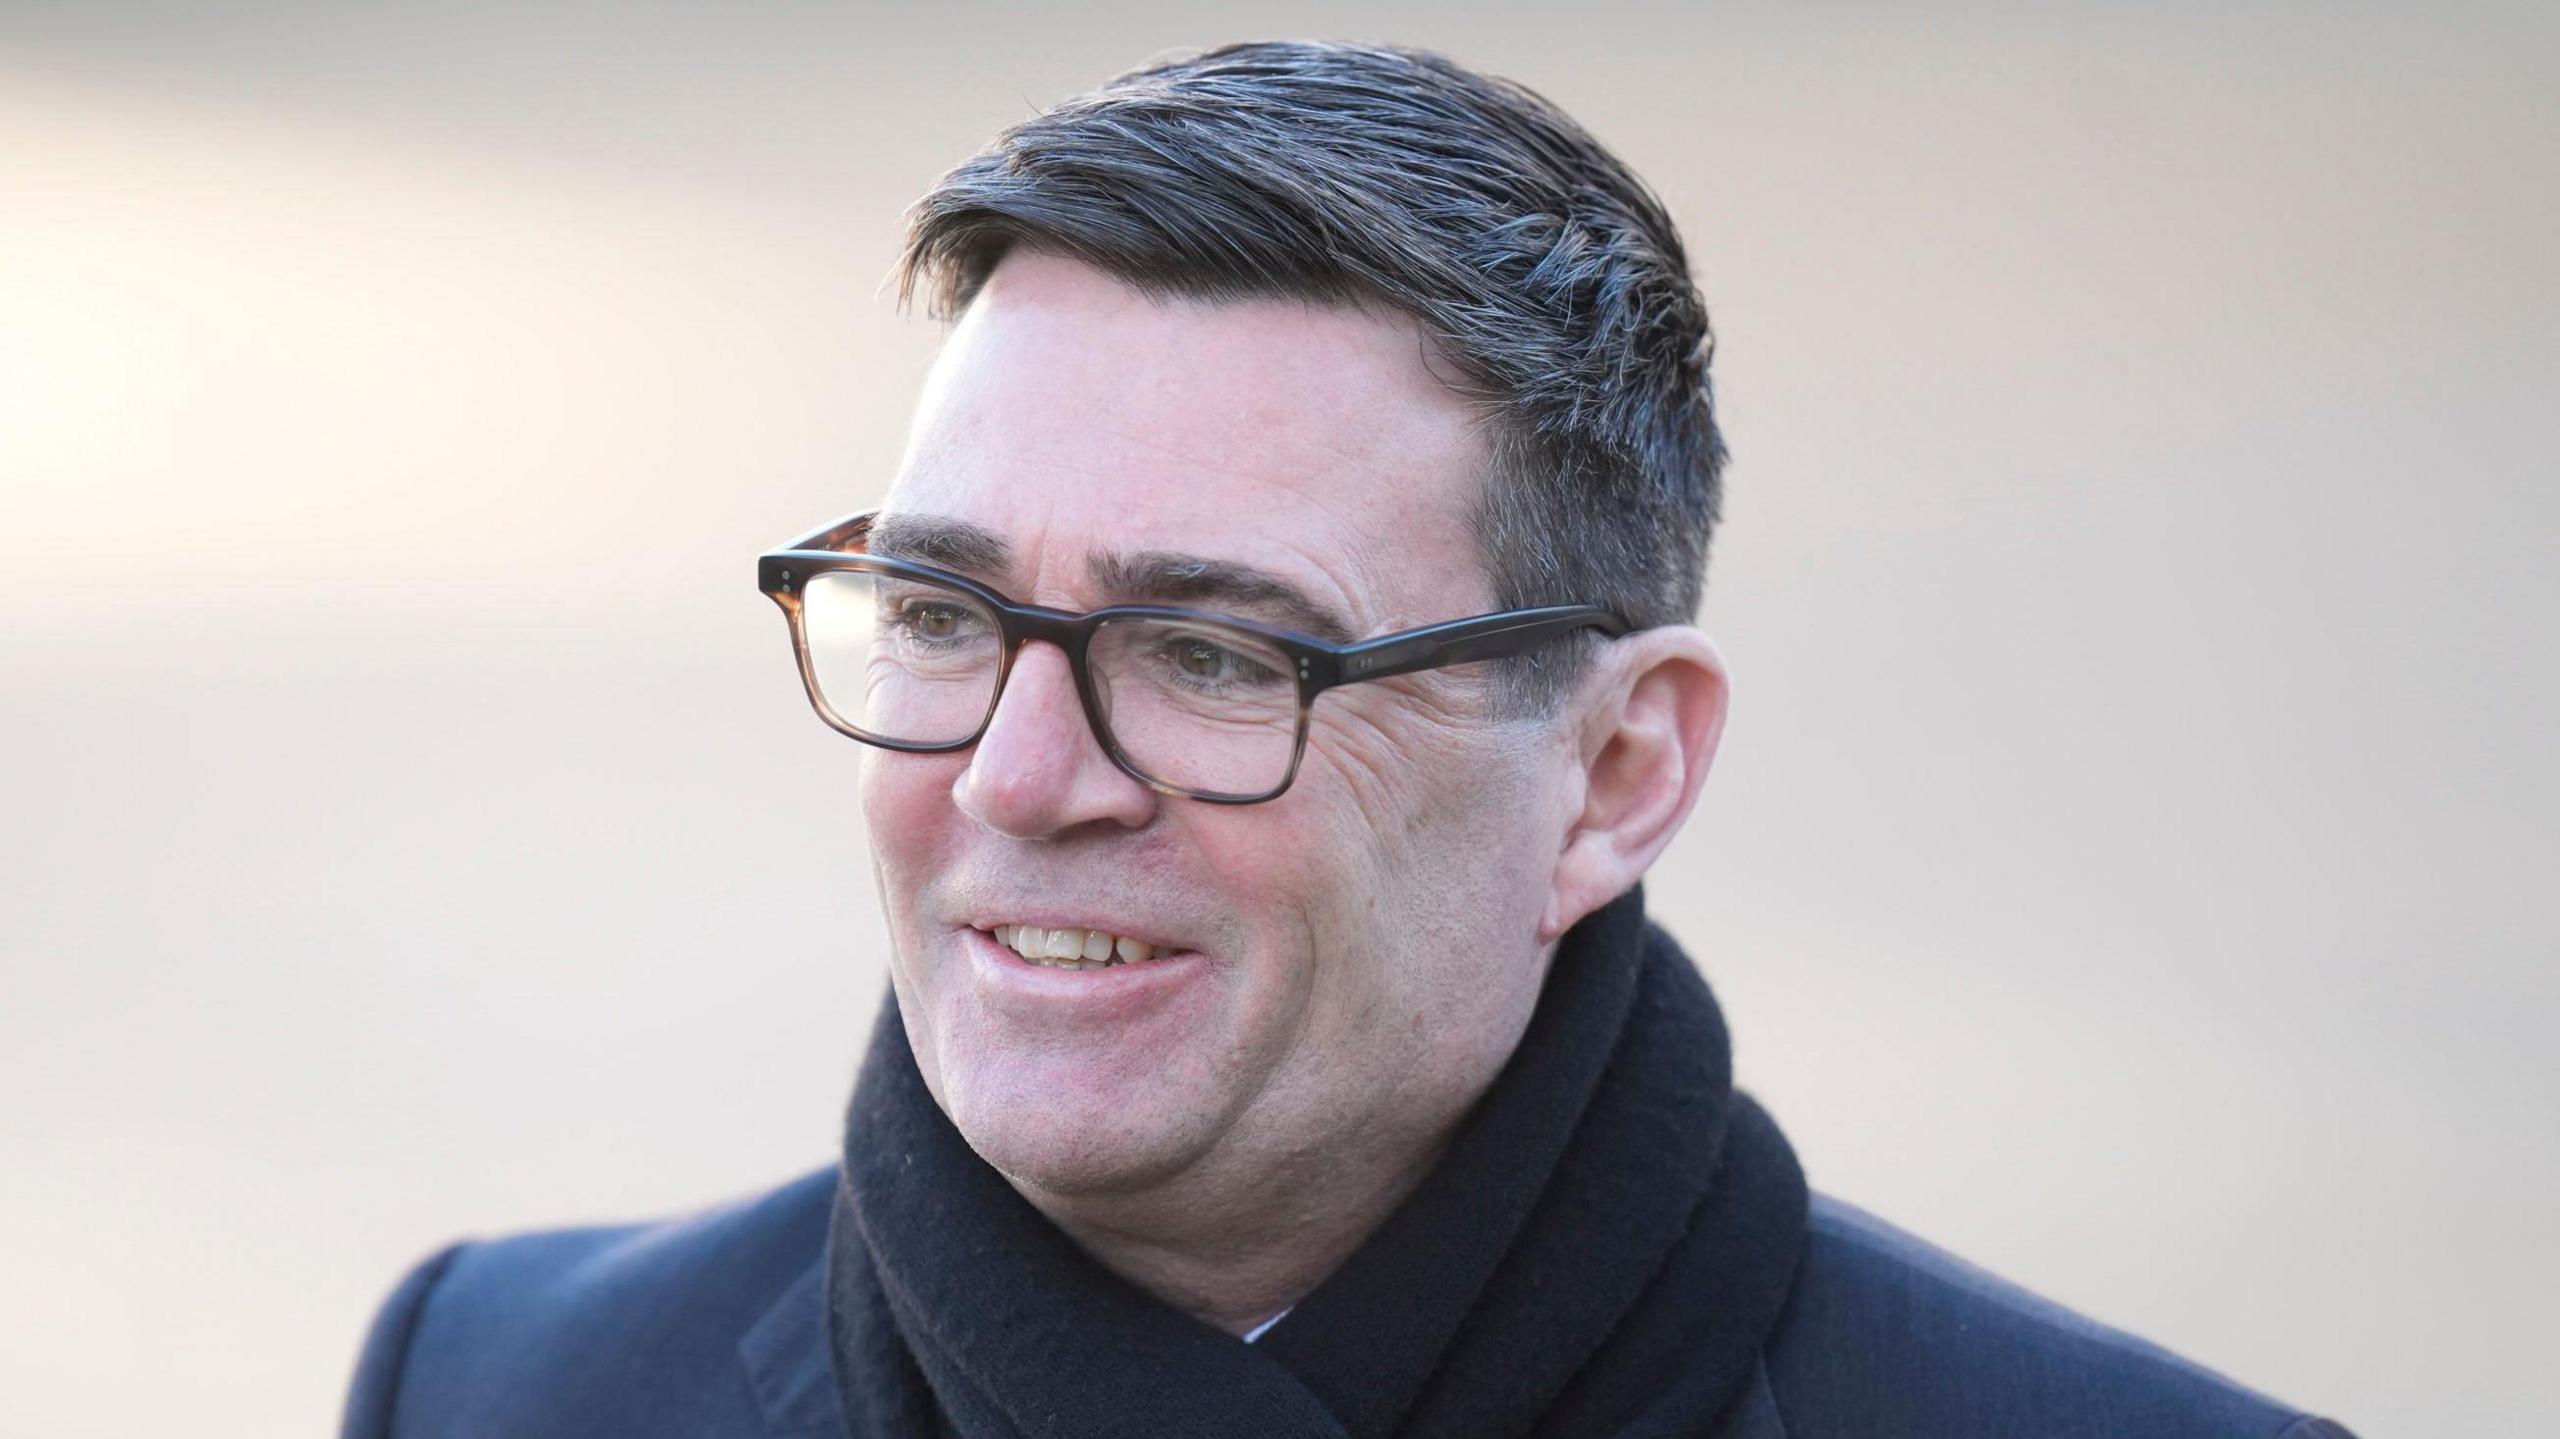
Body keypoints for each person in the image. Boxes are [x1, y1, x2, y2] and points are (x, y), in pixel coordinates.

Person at [342, 40, 2354, 1439]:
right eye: (949, 619)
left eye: (1214, 655)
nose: (1021, 780)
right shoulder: (499, 1394)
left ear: (1614, 772)